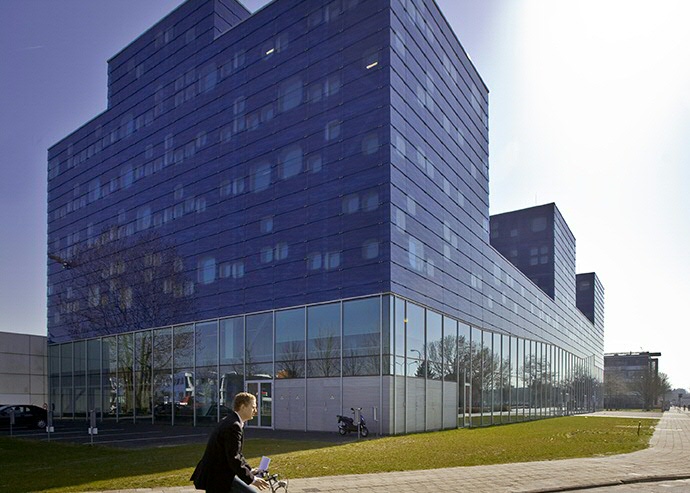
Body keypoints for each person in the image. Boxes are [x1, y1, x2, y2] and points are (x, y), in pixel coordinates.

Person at [191, 392, 270, 492]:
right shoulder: (233, 426)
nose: (256, 411)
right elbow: (233, 457)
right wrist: (252, 479)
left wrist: (249, 470)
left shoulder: (232, 421)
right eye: (253, 407)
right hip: (218, 477)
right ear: (243, 407)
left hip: (220, 474)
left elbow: (237, 454)